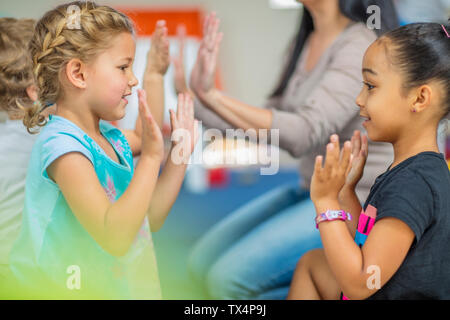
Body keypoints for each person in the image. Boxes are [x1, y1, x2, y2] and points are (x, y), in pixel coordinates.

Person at [181, 0, 398, 299]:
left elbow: (302, 134)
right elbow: (265, 122)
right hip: (309, 189)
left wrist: (213, 97)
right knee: (200, 263)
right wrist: (190, 102)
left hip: (352, 201)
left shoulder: (359, 43)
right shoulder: (309, 39)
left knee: (227, 281)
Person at [8, 1, 198, 299]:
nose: (132, 80)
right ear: (79, 74)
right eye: (124, 67)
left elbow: (150, 215)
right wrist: (149, 157)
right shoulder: (62, 148)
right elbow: (115, 236)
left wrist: (178, 153)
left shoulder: (111, 137)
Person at [288, 22, 450, 300]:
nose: (359, 99)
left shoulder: (413, 184)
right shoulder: (413, 169)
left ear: (420, 98)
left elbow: (362, 284)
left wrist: (325, 203)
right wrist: (344, 193)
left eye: (371, 86)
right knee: (312, 264)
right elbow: (367, 242)